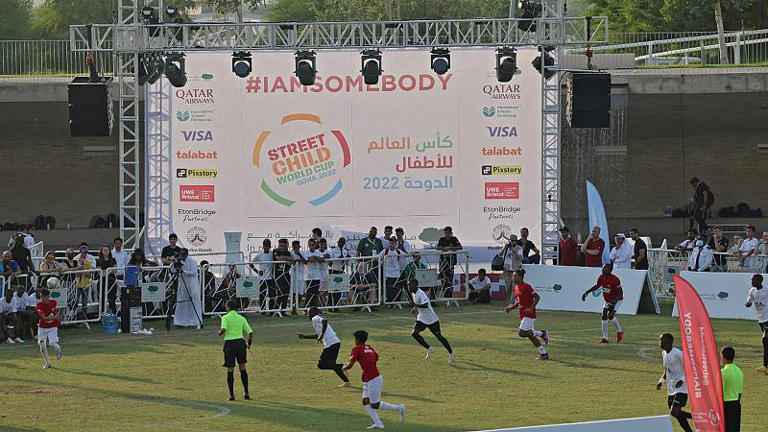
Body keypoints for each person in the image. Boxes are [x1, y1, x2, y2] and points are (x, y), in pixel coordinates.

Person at [342, 330, 406, 429]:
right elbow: (376, 358)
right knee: (366, 402)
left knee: (374, 404)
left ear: (357, 339)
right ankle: (379, 424)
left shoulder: (356, 349)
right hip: (369, 378)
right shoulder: (369, 347)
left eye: (354, 338)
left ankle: (398, 408)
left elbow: (350, 365)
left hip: (373, 379)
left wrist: (344, 368)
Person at [296, 307, 350, 387]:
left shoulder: (315, 318)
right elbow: (318, 335)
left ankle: (343, 366)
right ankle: (346, 381)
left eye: (308, 312)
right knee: (332, 365)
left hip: (331, 344)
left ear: (313, 312)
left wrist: (321, 335)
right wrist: (305, 337)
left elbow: (325, 321)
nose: (308, 314)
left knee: (321, 365)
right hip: (335, 343)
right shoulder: (315, 321)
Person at [504, 269, 550, 360]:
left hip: (529, 314)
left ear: (520, 277)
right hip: (522, 314)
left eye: (515, 276)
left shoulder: (527, 286)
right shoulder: (516, 287)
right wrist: (511, 308)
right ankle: (544, 353)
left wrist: (532, 307)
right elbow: (518, 302)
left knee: (521, 333)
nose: (513, 277)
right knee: (530, 336)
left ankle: (541, 333)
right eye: (513, 276)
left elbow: (537, 297)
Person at [407, 279, 455, 362]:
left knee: (439, 337)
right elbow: (418, 303)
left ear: (416, 285)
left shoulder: (421, 293)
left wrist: (415, 305)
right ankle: (429, 349)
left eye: (410, 286)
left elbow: (425, 305)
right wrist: (415, 308)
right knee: (414, 334)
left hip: (431, 319)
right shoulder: (413, 293)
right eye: (408, 286)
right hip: (422, 318)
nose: (408, 287)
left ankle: (451, 352)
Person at [656, 333, 693, 432]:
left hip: (682, 388)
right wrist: (661, 381)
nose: (659, 343)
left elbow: (689, 368)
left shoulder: (678, 354)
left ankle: (697, 417)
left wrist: (682, 380)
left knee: (674, 412)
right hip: (671, 388)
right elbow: (666, 369)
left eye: (661, 341)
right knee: (678, 416)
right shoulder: (664, 353)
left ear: (668, 343)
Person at [217, 299, 253, 401]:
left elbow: (223, 329)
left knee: (230, 370)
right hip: (240, 344)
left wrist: (219, 333)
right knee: (242, 368)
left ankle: (231, 395)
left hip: (229, 344)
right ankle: (246, 392)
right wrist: (249, 344)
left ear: (228, 307)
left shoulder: (225, 317)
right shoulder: (241, 318)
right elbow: (250, 332)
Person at [582, 263, 624, 343]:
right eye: (603, 268)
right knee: (604, 315)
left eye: (605, 269)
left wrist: (613, 302)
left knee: (610, 316)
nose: (603, 270)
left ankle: (619, 331)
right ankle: (605, 338)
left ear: (610, 270)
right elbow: (597, 286)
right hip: (608, 300)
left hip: (617, 300)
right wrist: (587, 292)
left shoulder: (615, 279)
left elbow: (620, 293)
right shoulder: (601, 277)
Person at [745, 274, 768, 374]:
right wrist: (748, 304)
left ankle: (765, 366)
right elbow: (748, 302)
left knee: (765, 341)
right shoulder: (752, 291)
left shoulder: (766, 291)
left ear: (759, 281)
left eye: (753, 280)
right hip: (761, 320)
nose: (751, 282)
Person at [174, 248, 203, 328]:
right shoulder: (179, 261)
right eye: (181, 255)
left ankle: (195, 322)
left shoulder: (192, 261)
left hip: (192, 285)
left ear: (187, 254)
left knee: (193, 303)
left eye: (184, 255)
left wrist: (183, 271)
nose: (182, 257)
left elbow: (193, 273)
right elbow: (173, 270)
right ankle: (180, 322)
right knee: (182, 303)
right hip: (182, 285)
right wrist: (175, 263)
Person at [36, 288, 63, 369]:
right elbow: (43, 318)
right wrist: (55, 317)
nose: (41, 298)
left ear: (47, 297)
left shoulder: (53, 302)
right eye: (40, 297)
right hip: (42, 327)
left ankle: (58, 349)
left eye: (42, 296)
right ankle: (48, 363)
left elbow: (56, 311)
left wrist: (57, 316)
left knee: (51, 343)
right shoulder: (39, 305)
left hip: (52, 327)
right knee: (42, 345)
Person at [720, 346, 743, 432]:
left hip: (726, 405)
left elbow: (719, 392)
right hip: (736, 405)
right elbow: (740, 393)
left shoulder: (722, 373)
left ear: (723, 356)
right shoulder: (739, 371)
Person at [436, 226, 462, 298]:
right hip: (442, 262)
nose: (446, 235)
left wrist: (451, 248)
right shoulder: (442, 239)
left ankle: (449, 296)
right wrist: (443, 248)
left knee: (450, 279)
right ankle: (445, 293)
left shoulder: (454, 239)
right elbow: (437, 247)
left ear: (451, 233)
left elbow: (460, 247)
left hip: (451, 262)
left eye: (447, 233)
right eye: (445, 233)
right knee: (442, 278)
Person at [378, 237, 404, 303]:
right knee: (389, 289)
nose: (391, 245)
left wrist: (412, 254)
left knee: (397, 289)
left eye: (393, 243)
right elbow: (378, 257)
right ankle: (389, 302)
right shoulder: (385, 251)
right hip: (387, 274)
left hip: (396, 274)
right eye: (390, 243)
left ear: (395, 244)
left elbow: (405, 255)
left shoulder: (398, 251)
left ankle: (397, 302)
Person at [253, 239, 276, 312]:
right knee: (262, 294)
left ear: (270, 246)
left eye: (267, 245)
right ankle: (262, 309)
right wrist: (257, 271)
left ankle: (271, 309)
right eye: (264, 245)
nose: (266, 247)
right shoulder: (260, 255)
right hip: (262, 278)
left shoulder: (272, 253)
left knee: (272, 294)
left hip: (270, 277)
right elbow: (250, 263)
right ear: (263, 246)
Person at [302, 239, 326, 308]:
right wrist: (315, 258)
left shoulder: (317, 252)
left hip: (317, 276)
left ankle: (313, 309)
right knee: (309, 294)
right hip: (309, 276)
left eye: (312, 245)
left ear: (315, 245)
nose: (311, 246)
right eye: (309, 245)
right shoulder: (305, 252)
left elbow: (322, 260)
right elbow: (307, 260)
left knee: (315, 294)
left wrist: (315, 257)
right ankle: (305, 308)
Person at [499, 235, 523, 303]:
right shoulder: (507, 248)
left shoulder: (519, 248)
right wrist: (504, 248)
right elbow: (500, 255)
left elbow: (520, 258)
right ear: (510, 241)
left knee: (514, 286)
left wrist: (514, 250)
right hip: (506, 269)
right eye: (512, 241)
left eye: (515, 241)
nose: (513, 242)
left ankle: (515, 300)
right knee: (508, 286)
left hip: (515, 270)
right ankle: (510, 301)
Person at [272, 238, 293, 312]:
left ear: (286, 246)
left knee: (286, 293)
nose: (280, 247)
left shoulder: (287, 252)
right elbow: (278, 259)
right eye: (279, 245)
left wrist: (285, 258)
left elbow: (291, 259)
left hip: (286, 275)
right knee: (280, 293)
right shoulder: (275, 251)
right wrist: (286, 259)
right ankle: (275, 310)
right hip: (278, 275)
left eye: (282, 246)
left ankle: (283, 311)